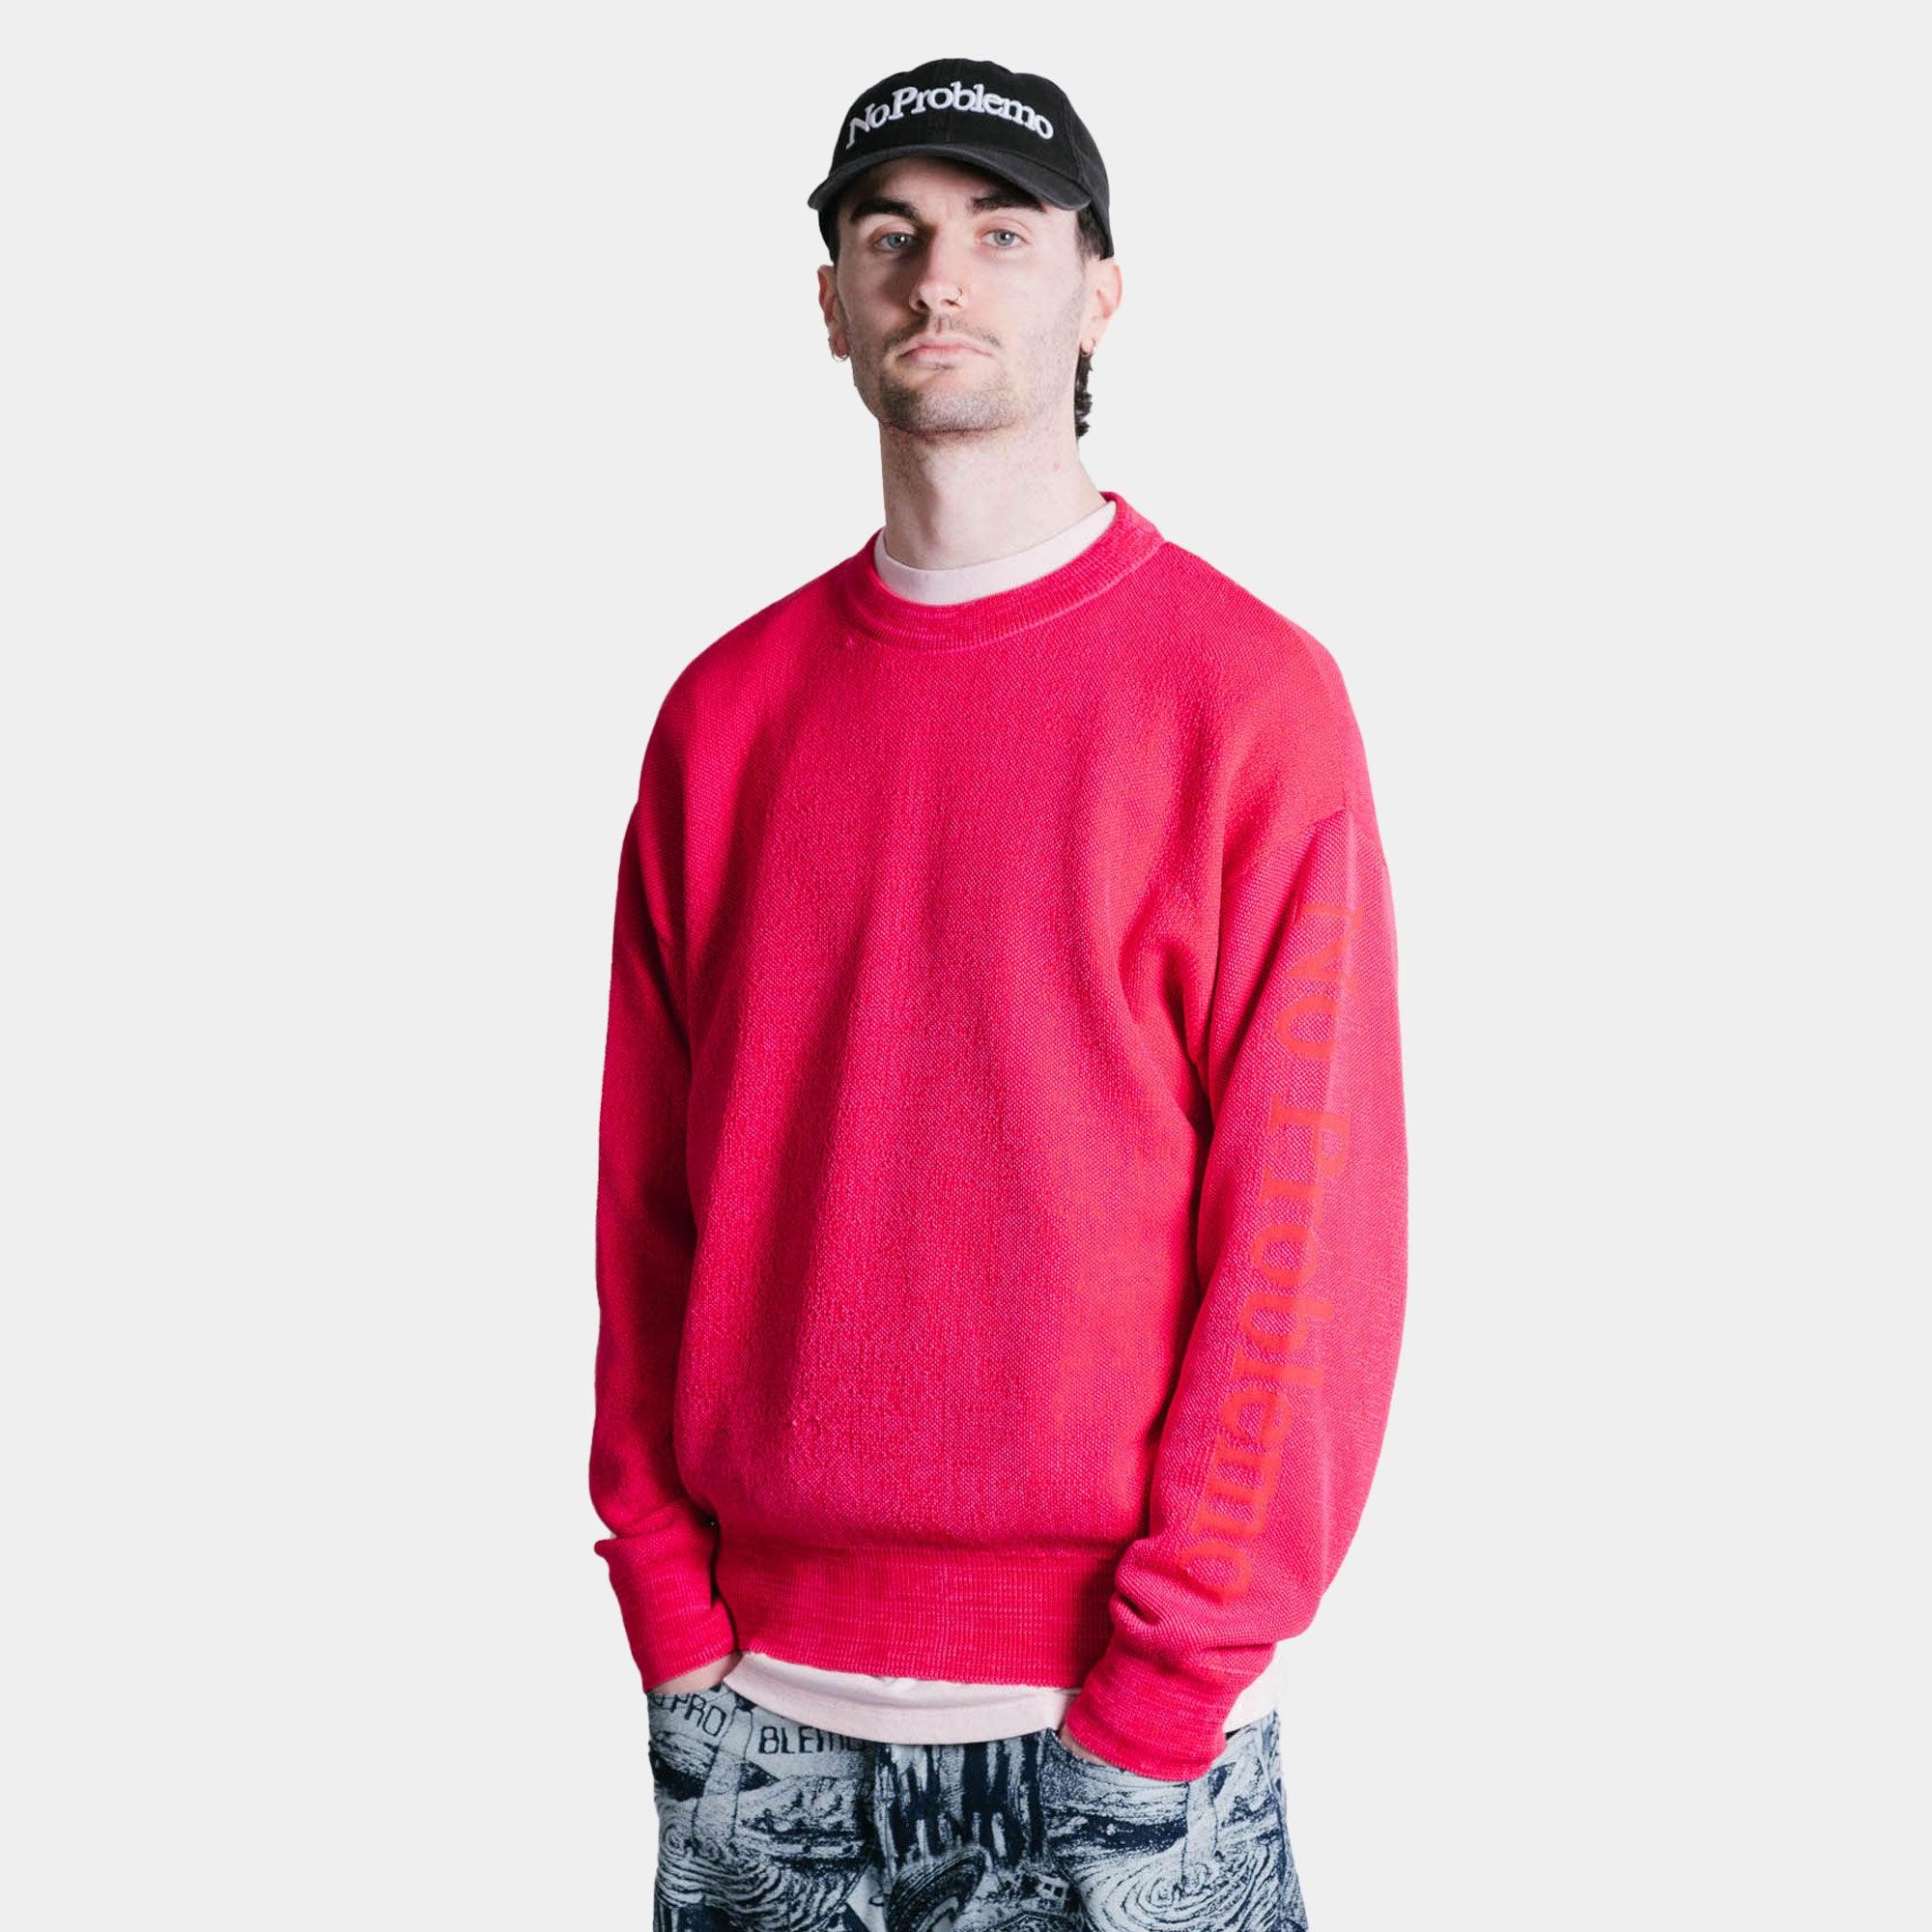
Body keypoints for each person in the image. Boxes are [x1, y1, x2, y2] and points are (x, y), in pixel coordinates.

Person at [589, 56, 1406, 1930]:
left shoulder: (1247, 703)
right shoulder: (724, 717)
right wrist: (670, 1618)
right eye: (890, 235)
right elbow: (645, 1208)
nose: (938, 275)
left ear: (1099, 291)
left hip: (1121, 1736)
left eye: (1000, 231)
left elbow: (1302, 1238)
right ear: (831, 304)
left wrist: (1170, 1686)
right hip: (760, 1726)